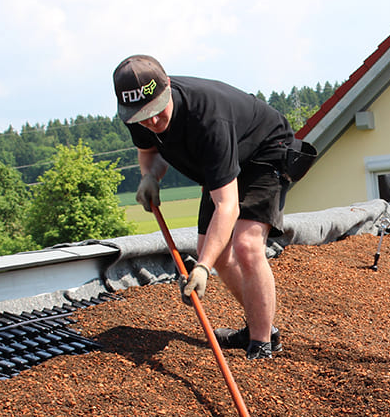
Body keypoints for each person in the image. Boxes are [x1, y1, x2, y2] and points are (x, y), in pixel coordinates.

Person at [113, 54, 294, 360]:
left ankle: (262, 346)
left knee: (246, 244)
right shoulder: (140, 115)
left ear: (167, 87)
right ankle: (260, 327)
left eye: (157, 111)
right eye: (142, 116)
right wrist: (149, 177)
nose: (152, 121)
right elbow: (149, 151)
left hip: (265, 152)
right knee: (218, 252)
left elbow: (227, 206)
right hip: (220, 167)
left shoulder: (208, 119)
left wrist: (201, 268)